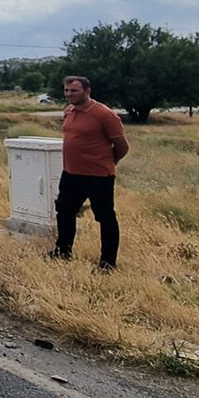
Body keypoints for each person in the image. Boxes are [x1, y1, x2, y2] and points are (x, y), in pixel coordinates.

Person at [48, 76, 129, 269]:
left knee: (105, 217)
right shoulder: (68, 112)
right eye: (66, 90)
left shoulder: (103, 114)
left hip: (98, 176)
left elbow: (122, 146)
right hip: (71, 174)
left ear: (87, 91)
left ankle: (108, 262)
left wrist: (109, 162)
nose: (69, 94)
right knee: (65, 211)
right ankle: (63, 250)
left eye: (74, 91)